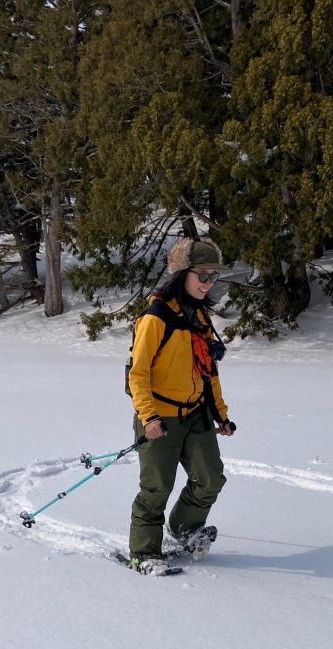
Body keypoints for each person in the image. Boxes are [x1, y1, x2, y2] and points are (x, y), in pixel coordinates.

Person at [125, 236, 237, 574]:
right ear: (182, 274)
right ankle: (144, 553)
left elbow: (208, 373)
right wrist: (148, 416)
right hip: (161, 417)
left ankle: (185, 528)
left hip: (196, 414)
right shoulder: (156, 316)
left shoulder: (200, 317)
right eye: (202, 275)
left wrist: (221, 414)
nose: (208, 283)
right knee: (156, 487)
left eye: (213, 276)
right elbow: (138, 373)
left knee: (210, 479)